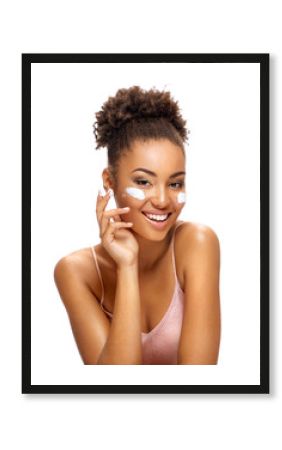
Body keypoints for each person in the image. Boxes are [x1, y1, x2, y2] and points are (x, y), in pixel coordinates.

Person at [54, 85, 221, 365]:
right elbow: (113, 389)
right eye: (143, 182)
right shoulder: (76, 272)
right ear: (110, 181)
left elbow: (200, 386)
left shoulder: (197, 243)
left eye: (175, 183)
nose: (162, 200)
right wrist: (127, 266)